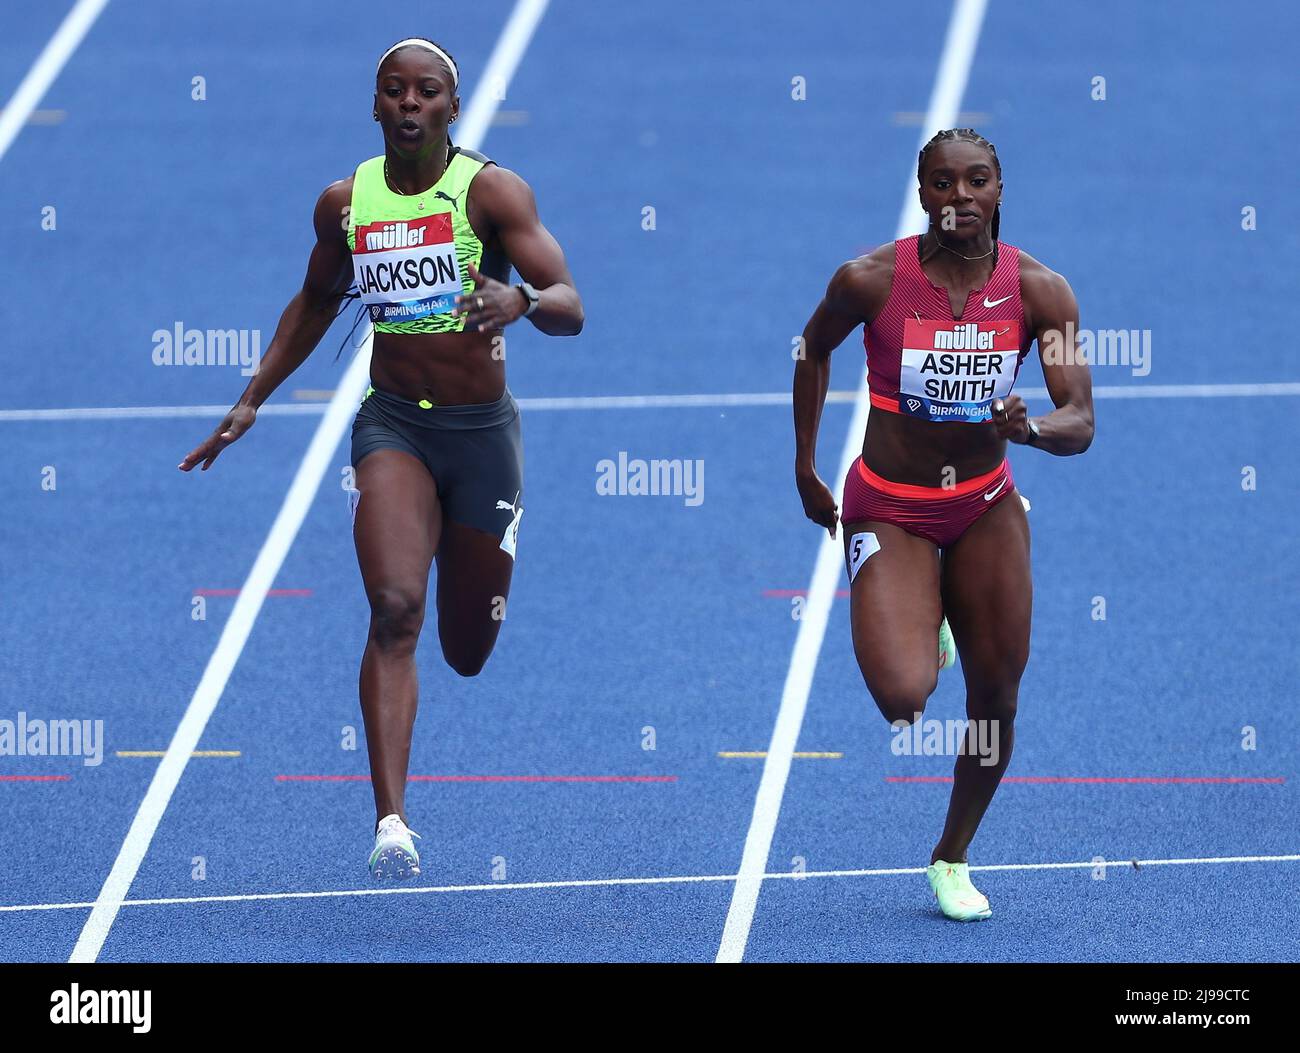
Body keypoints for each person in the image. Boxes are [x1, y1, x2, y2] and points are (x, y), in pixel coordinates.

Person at [179, 37, 583, 880]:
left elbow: (572, 305)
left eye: (426, 92)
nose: (409, 104)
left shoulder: (492, 193)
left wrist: (521, 298)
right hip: (393, 424)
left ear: (451, 108)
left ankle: (487, 557)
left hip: (481, 440)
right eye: (393, 92)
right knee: (397, 606)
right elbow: (316, 300)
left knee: (467, 647)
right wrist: (253, 395)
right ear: (374, 106)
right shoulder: (344, 203)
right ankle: (392, 818)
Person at [793, 128, 1093, 920]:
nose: (960, 197)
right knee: (903, 699)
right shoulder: (868, 281)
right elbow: (810, 351)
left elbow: (1081, 419)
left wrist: (1030, 430)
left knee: (996, 694)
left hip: (985, 503)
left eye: (977, 181)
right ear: (921, 192)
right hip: (889, 504)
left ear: (1000, 189)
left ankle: (951, 856)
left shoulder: (1040, 292)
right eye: (942, 183)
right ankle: (927, 615)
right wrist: (805, 466)